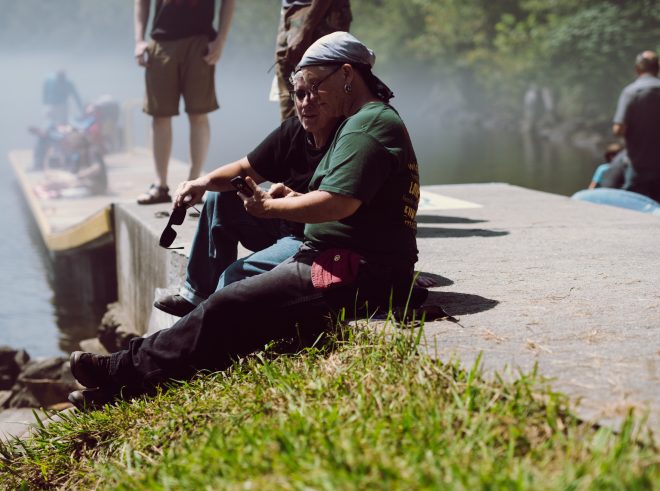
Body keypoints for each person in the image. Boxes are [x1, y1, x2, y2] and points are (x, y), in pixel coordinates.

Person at [68, 32, 421, 410]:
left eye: (316, 85)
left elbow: (339, 204)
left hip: (354, 269)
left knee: (231, 302)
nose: (308, 97)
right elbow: (355, 202)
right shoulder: (363, 122)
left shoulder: (367, 125)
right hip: (336, 256)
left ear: (347, 74)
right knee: (233, 304)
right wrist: (297, 199)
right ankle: (122, 382)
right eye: (301, 89)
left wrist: (271, 210)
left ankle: (125, 374)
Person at [154, 70, 343, 317]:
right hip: (282, 224)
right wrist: (201, 182)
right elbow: (245, 168)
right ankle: (197, 295)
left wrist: (284, 202)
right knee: (218, 195)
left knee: (235, 276)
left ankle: (206, 337)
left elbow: (335, 204)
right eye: (300, 94)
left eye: (315, 94)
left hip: (308, 238)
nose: (307, 102)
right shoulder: (294, 131)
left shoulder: (346, 139)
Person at [134, 0, 235, 205]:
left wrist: (221, 40)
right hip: (161, 40)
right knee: (159, 115)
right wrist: (139, 40)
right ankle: (160, 185)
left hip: (200, 40)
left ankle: (194, 183)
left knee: (198, 114)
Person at [275, 0, 351, 121]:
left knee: (318, 103)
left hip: (318, 13)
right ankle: (293, 139)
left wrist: (307, 27)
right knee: (290, 106)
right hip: (288, 11)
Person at [612, 50, 660, 202]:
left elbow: (619, 129)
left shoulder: (631, 92)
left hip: (638, 164)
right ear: (657, 69)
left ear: (637, 69)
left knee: (633, 203)